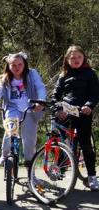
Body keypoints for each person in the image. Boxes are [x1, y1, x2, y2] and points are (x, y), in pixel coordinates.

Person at [51, 45, 99, 190]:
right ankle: (60, 169)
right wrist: (59, 109)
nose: (76, 60)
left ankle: (92, 176)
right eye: (73, 58)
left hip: (82, 112)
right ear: (67, 60)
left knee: (85, 145)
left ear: (84, 57)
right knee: (58, 141)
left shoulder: (90, 74)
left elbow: (95, 94)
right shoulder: (63, 75)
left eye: (79, 57)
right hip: (65, 112)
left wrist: (89, 106)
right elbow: (55, 96)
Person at [0, 52, 46, 168]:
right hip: (13, 108)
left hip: (30, 109)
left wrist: (40, 101)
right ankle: (4, 156)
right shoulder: (5, 78)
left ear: (24, 64)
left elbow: (40, 87)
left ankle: (30, 163)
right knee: (10, 130)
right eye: (13, 65)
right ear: (9, 66)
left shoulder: (32, 74)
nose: (16, 68)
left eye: (19, 65)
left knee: (29, 139)